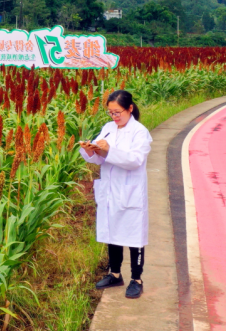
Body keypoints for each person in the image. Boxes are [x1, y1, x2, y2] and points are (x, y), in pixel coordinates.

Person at [79, 90, 152, 299]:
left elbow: (135, 160)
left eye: (118, 112)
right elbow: (100, 158)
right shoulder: (108, 128)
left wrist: (109, 151)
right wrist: (91, 150)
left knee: (134, 235)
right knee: (113, 232)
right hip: (110, 190)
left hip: (130, 191)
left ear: (129, 108)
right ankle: (115, 274)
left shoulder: (140, 132)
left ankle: (136, 279)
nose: (114, 117)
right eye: (110, 113)